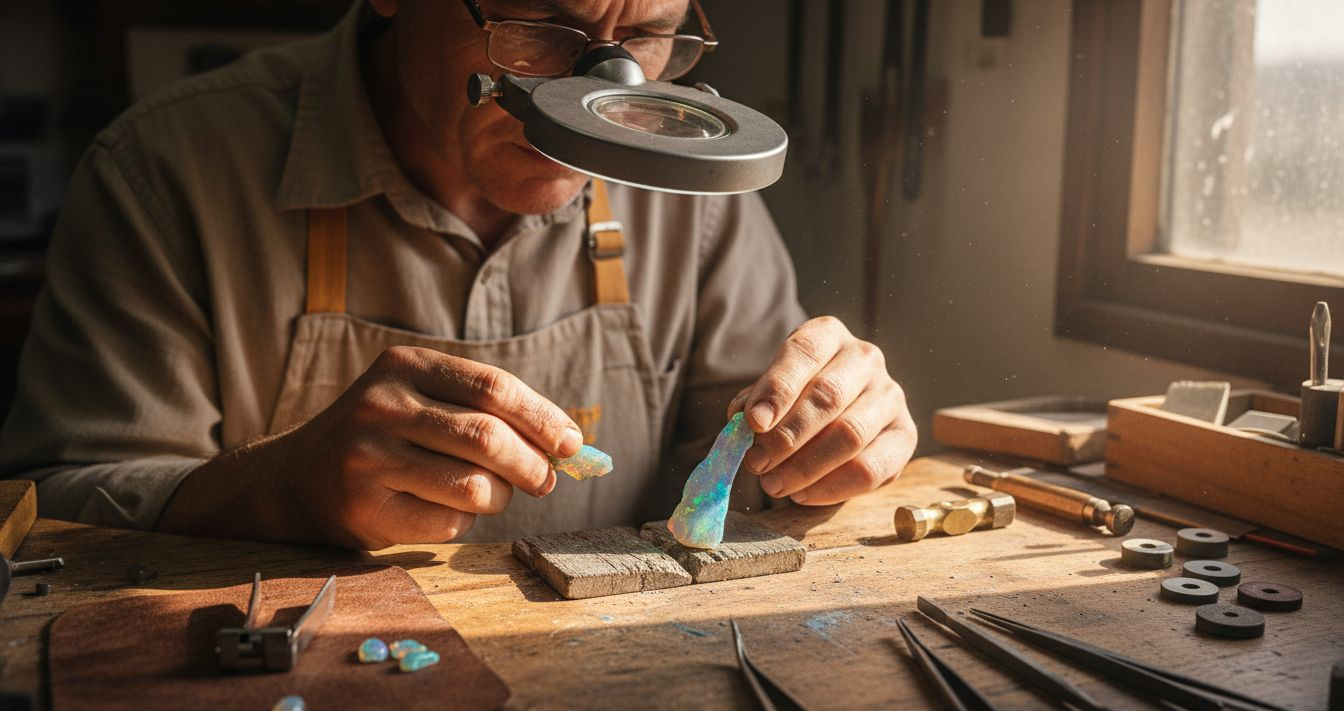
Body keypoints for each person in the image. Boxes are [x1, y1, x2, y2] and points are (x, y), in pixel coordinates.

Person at [0, 0, 916, 548]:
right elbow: (49, 509)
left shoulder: (687, 181)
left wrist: (817, 446)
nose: (600, 105)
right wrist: (275, 489)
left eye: (647, 35)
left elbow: (737, 461)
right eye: (543, 30)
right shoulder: (167, 170)